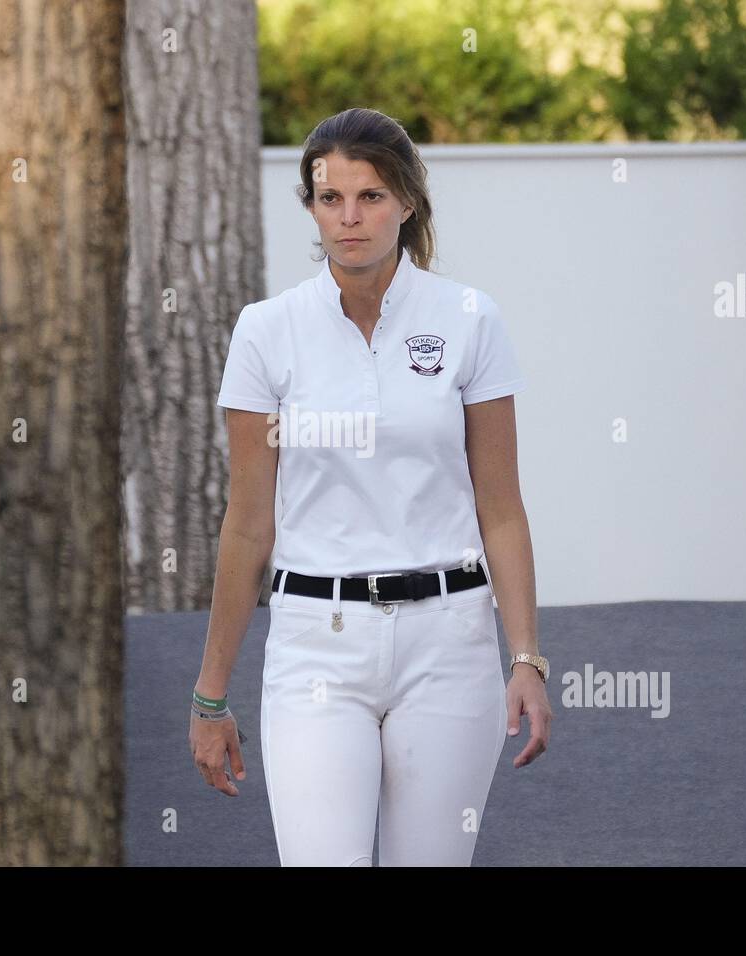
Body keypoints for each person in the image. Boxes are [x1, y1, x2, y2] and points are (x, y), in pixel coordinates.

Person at [188, 108, 553, 866]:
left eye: (372, 197)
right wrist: (210, 691)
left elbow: (501, 507)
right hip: (314, 646)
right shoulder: (266, 330)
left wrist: (525, 658)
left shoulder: (469, 320)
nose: (349, 218)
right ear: (311, 206)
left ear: (408, 202)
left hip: (449, 643)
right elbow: (249, 524)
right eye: (330, 199)